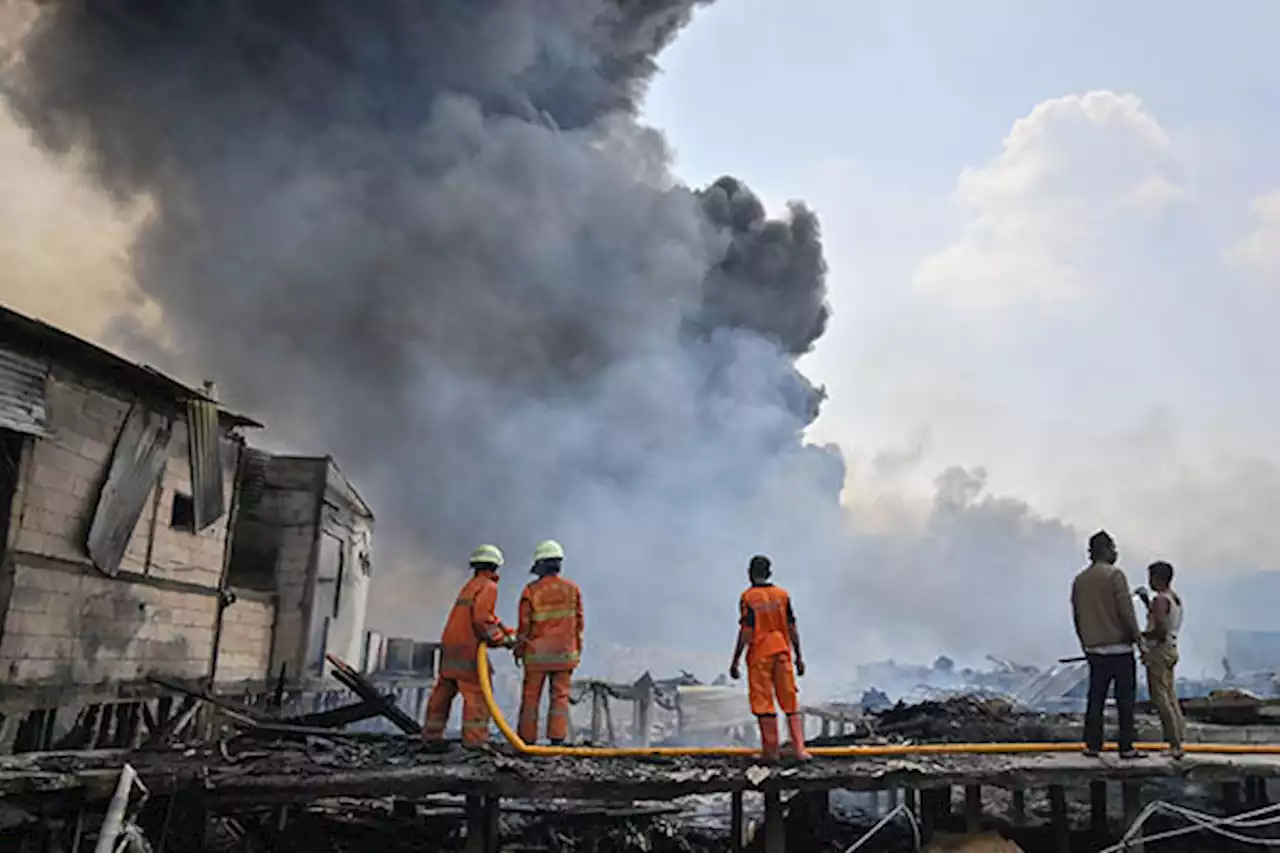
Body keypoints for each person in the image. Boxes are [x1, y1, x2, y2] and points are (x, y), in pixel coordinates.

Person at [422, 544, 518, 747]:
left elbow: (483, 617)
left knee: (443, 692)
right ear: (495, 566)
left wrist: (505, 630)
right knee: (478, 696)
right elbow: (482, 620)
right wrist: (501, 640)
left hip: (450, 647)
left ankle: (431, 736)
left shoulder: (471, 585)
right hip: (468, 651)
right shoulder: (489, 587)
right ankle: (475, 743)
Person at [729, 555, 810, 761]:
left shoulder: (748, 598)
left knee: (763, 702)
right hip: (782, 651)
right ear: (769, 573)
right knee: (789, 699)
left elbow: (746, 631)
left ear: (749, 572)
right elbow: (792, 626)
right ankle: (799, 750)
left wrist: (735, 659)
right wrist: (799, 657)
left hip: (760, 654)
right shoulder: (782, 595)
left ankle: (771, 751)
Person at [1070, 530, 1144, 758]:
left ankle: (1093, 745)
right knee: (1125, 700)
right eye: (1112, 547)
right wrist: (1139, 640)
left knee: (1096, 698)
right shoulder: (1115, 576)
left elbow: (1077, 615)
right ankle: (1126, 746)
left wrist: (1085, 642)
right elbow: (1126, 612)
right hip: (1119, 648)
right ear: (1105, 550)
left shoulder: (1080, 580)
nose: (1115, 552)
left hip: (1094, 649)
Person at [515, 539, 584, 745]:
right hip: (564, 655)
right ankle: (557, 740)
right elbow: (579, 624)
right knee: (560, 698)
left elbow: (524, 627)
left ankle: (526, 741)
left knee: (531, 698)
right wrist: (576, 650)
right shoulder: (572, 589)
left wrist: (519, 650)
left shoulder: (531, 591)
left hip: (536, 656)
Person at [1137, 561, 1185, 759]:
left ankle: (1174, 744)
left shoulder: (1160, 600)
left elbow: (1159, 629)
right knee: (1171, 696)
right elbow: (1161, 618)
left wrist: (1140, 636)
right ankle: (1179, 739)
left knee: (1160, 697)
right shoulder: (1174, 599)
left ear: (1157, 578)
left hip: (1159, 651)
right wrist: (1145, 601)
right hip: (1171, 649)